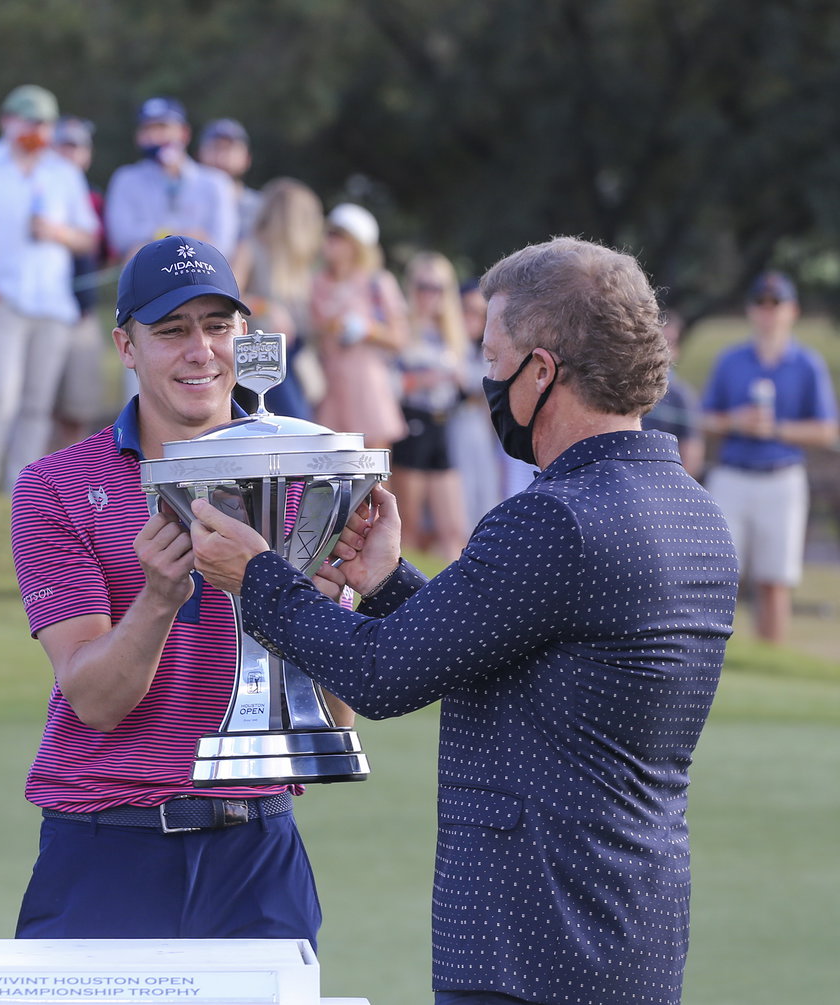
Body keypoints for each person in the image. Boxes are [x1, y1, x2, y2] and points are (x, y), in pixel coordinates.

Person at [191, 236, 739, 1005]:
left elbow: (381, 675)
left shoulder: (556, 520)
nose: (481, 378)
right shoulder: (695, 514)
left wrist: (256, 576)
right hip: (633, 927)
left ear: (541, 371)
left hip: (530, 942)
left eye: (492, 357)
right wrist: (384, 582)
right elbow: (513, 659)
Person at [10, 235, 321, 943]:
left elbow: (330, 715)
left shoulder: (304, 480)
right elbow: (94, 698)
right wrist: (156, 598)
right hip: (104, 842)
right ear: (126, 346)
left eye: (218, 326)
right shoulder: (54, 486)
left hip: (257, 850)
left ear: (245, 336)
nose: (200, 350)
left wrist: (339, 598)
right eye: (172, 330)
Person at [0, 84, 98, 495]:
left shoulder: (63, 172)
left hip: (52, 304)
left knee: (36, 403)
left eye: (44, 123)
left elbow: (88, 236)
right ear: (7, 121)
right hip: (0, 300)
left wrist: (58, 232)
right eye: (29, 121)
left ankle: (22, 487)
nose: (37, 131)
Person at [701, 271, 838, 645]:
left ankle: (769, 655)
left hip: (782, 478)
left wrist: (776, 430)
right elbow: (705, 419)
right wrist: (736, 421)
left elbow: (827, 429)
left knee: (774, 579)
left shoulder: (807, 364)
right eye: (761, 304)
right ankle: (711, 659)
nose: (768, 313)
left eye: (775, 305)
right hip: (733, 476)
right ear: (750, 311)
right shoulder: (731, 361)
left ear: (791, 311)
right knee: (718, 574)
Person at [308, 202, 408, 448]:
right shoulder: (315, 282)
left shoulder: (377, 282)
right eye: (328, 233)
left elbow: (400, 338)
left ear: (355, 244)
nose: (327, 241)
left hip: (368, 389)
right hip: (328, 388)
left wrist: (367, 329)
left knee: (375, 473)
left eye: (336, 235)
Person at [390, 251, 469, 561]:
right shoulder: (402, 328)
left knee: (454, 527)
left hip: (443, 423)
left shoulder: (451, 332)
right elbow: (389, 384)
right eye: (423, 286)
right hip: (412, 420)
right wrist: (423, 380)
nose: (430, 295)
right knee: (407, 524)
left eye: (438, 288)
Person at [229, 177, 321, 419]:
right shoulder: (250, 248)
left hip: (295, 353)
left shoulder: (300, 261)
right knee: (290, 422)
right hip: (263, 355)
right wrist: (267, 307)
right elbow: (229, 296)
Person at [105, 97, 238, 259]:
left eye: (162, 127)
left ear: (184, 133)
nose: (153, 136)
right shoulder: (126, 179)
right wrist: (182, 235)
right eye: (147, 128)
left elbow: (222, 243)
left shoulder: (215, 182)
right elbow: (122, 239)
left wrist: (152, 239)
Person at [49, 115, 107, 449]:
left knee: (78, 403)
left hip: (82, 312)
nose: (70, 153)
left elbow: (105, 250)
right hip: (45, 309)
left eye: (77, 146)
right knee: (40, 402)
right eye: (64, 145)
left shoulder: (95, 199)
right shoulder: (38, 187)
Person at [448, 277, 504, 533]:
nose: (473, 319)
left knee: (484, 492)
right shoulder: (445, 344)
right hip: (447, 428)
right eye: (467, 310)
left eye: (480, 314)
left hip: (480, 430)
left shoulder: (485, 350)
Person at [643, 309, 704, 478]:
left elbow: (691, 454)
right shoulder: (622, 387)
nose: (662, 349)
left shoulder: (681, 396)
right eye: (657, 340)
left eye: (669, 342)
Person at [197, 118, 260, 241]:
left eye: (229, 149)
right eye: (215, 148)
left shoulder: (261, 208)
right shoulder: (185, 204)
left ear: (247, 158)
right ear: (199, 154)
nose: (221, 157)